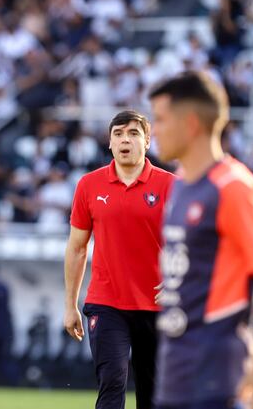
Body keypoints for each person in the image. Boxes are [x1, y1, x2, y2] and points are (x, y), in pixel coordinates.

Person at [149, 71, 253, 409]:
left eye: (160, 119)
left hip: (216, 375)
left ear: (191, 124)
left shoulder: (232, 186)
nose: (154, 130)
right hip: (175, 373)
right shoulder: (181, 185)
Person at [63, 109, 176, 409]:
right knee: (112, 383)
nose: (125, 140)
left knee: (153, 396)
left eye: (134, 133)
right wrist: (70, 304)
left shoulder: (171, 186)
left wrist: (178, 279)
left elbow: (194, 242)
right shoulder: (89, 185)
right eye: (118, 134)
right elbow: (77, 248)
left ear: (147, 141)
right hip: (106, 302)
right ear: (110, 143)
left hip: (158, 306)